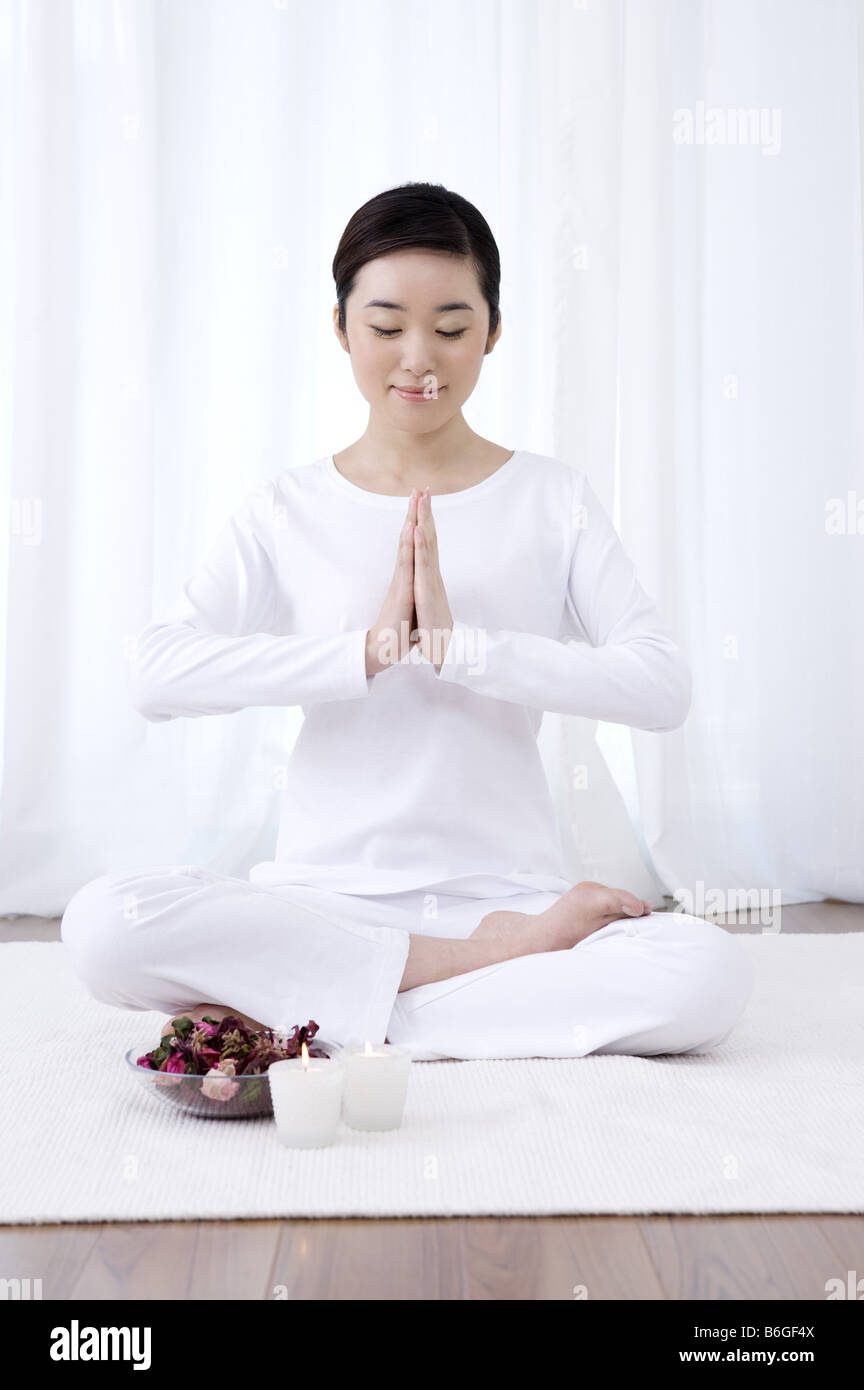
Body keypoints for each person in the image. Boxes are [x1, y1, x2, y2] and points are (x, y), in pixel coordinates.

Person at [61, 182, 754, 1061]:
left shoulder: (551, 498)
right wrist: (365, 655)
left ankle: (317, 1013)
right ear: (341, 328)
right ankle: (469, 972)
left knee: (704, 975)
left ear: (494, 331)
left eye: (453, 328)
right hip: (322, 902)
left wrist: (466, 652)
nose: (418, 357)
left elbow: (662, 686)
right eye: (386, 326)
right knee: (102, 925)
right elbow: (154, 675)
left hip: (507, 891)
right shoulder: (288, 507)